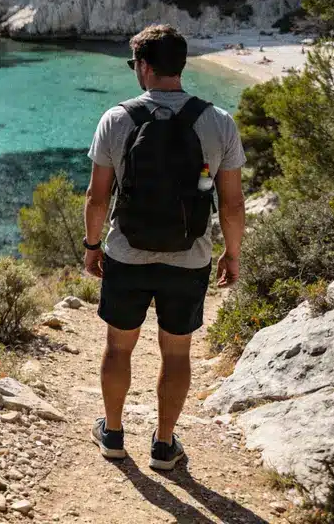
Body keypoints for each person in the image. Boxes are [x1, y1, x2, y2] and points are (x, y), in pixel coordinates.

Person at [83, 24, 245, 471]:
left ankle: (113, 434)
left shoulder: (116, 119)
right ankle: (164, 444)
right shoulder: (218, 121)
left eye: (135, 63)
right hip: (189, 257)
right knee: (176, 352)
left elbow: (98, 198)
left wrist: (92, 246)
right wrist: (231, 254)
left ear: (146, 67)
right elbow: (231, 203)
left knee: (119, 348)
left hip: (127, 254)